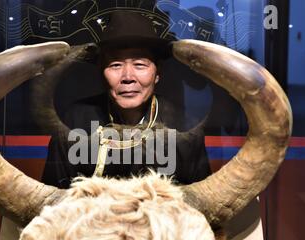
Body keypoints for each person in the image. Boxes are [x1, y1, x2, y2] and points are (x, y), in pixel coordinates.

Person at [41, 11, 211, 188]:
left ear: (157, 74)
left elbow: (198, 201)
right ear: (101, 73)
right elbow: (55, 196)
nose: (128, 77)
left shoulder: (184, 128)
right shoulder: (74, 121)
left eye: (140, 65)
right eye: (115, 65)